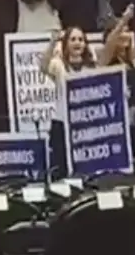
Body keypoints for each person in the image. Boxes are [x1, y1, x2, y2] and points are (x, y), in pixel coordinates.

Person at [41, 27, 98, 175]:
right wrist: (53, 42)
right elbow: (43, 66)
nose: (77, 43)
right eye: (73, 39)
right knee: (61, 168)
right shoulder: (59, 65)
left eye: (80, 39)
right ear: (66, 43)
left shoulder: (91, 67)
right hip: (62, 122)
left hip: (84, 124)